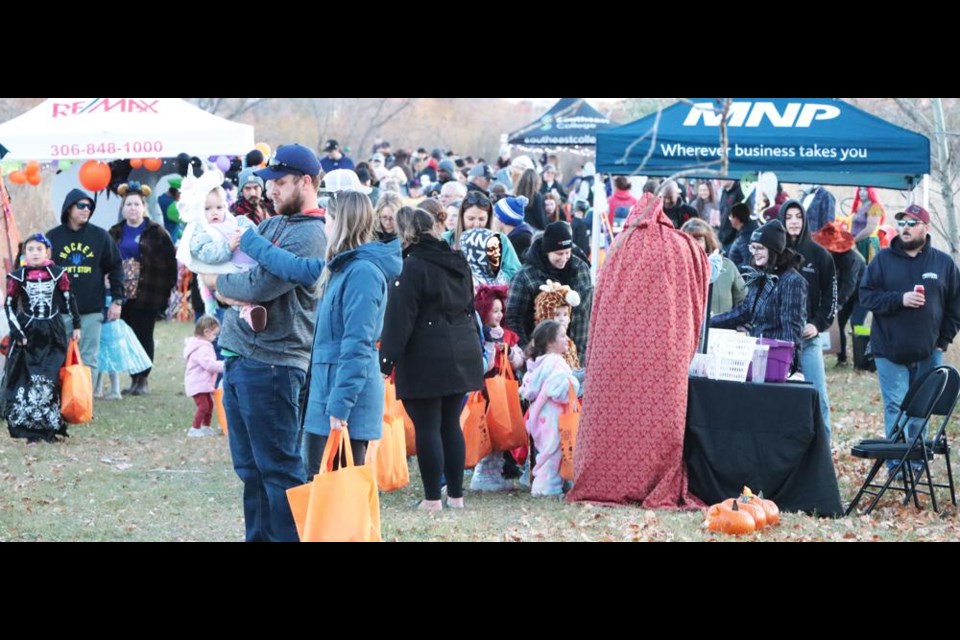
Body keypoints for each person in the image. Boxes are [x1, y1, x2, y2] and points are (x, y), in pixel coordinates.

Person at [239, 191, 401, 481]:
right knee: (320, 482)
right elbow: (290, 266)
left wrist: (341, 404)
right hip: (328, 393)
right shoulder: (339, 267)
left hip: (342, 400)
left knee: (339, 489)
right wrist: (250, 241)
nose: (324, 225)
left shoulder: (362, 273)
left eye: (329, 219)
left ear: (341, 223)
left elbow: (357, 345)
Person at [211, 143, 328, 542]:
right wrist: (228, 284)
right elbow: (235, 266)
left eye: (279, 182)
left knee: (279, 470)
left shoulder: (312, 234)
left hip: (275, 364)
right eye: (270, 183)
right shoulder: (273, 223)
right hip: (243, 358)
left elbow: (260, 284)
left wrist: (221, 287)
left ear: (306, 182)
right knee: (250, 469)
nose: (271, 190)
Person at [380, 207, 484, 512]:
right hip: (462, 348)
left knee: (428, 426)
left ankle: (431, 499)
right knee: (450, 424)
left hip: (426, 353)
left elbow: (401, 319)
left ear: (407, 233)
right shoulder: (458, 260)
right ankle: (456, 496)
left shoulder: (412, 266)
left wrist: (386, 361)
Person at [859, 204, 960, 476]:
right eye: (902, 223)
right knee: (896, 405)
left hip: (929, 351)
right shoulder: (882, 260)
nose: (905, 228)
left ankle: (915, 463)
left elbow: (956, 305)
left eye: (912, 223)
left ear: (925, 229)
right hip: (888, 349)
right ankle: (896, 465)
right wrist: (899, 299)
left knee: (921, 409)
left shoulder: (943, 263)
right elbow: (866, 296)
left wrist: (944, 339)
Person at [3, 233, 81, 441]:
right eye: (30, 249)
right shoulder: (17, 276)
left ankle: (50, 426)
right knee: (26, 378)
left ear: (47, 251)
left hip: (53, 330)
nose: (35, 253)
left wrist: (76, 325)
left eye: (39, 249)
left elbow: (68, 298)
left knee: (51, 376)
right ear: (24, 253)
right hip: (28, 330)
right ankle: (28, 430)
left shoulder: (57, 273)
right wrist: (18, 333)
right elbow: (9, 306)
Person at [47, 189, 124, 390]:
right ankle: (61, 401)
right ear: (69, 208)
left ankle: (83, 403)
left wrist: (117, 300)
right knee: (59, 357)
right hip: (60, 311)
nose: (86, 209)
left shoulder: (100, 236)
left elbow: (116, 266)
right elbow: (41, 271)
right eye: (81, 205)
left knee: (88, 359)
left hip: (90, 310)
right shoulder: (53, 238)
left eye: (89, 206)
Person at [108, 182, 178, 396]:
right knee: (128, 336)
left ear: (143, 206)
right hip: (123, 292)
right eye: (128, 204)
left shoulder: (156, 232)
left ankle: (143, 378)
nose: (132, 208)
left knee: (144, 334)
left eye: (136, 204)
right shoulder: (115, 232)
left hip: (148, 292)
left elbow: (170, 263)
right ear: (123, 208)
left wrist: (167, 292)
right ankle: (133, 378)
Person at [780, 199, 837, 435]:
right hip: (779, 342)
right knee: (780, 400)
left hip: (808, 341)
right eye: (789, 217)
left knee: (818, 398)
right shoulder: (776, 254)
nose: (794, 222)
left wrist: (817, 324)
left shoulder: (820, 255)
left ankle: (824, 454)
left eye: (798, 217)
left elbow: (830, 299)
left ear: (805, 220)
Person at [711, 220, 808, 358]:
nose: (755, 253)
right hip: (757, 353)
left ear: (774, 250)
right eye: (753, 248)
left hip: (777, 358)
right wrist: (710, 321)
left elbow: (791, 331)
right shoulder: (761, 275)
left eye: (760, 248)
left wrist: (791, 367)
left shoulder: (791, 282)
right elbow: (745, 310)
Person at [179, 170, 264, 327]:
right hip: (219, 272)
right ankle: (247, 310)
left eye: (219, 207)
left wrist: (246, 231)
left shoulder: (233, 221)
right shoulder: (200, 230)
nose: (214, 213)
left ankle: (253, 309)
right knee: (225, 296)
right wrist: (228, 247)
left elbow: (250, 228)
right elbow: (206, 252)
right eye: (207, 208)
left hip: (242, 268)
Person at [506, 221, 593, 364]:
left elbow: (585, 312)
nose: (564, 257)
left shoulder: (580, 269)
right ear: (547, 251)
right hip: (541, 357)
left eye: (567, 252)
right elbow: (513, 317)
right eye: (559, 253)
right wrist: (527, 349)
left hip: (577, 354)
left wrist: (582, 352)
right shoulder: (526, 276)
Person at [520, 320, 580, 497]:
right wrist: (574, 381)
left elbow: (528, 388)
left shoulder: (537, 363)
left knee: (545, 451)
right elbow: (559, 390)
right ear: (550, 342)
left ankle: (545, 484)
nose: (566, 339)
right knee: (554, 452)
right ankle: (548, 488)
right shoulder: (556, 362)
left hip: (540, 417)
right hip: (555, 416)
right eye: (562, 336)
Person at [812, 221, 865, 367]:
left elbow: (850, 284)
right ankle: (842, 360)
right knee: (839, 324)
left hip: (862, 293)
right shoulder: (831, 258)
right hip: (845, 294)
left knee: (857, 324)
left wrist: (838, 303)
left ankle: (863, 359)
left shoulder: (852, 259)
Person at [681, 218, 746, 316]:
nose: (693, 244)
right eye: (689, 239)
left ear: (707, 242)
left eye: (698, 239)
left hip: (722, 329)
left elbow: (744, 302)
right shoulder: (677, 269)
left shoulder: (727, 266)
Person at [183, 316, 224, 438]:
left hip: (203, 383)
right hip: (197, 383)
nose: (215, 337)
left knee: (209, 405)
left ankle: (206, 426)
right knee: (204, 406)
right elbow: (209, 365)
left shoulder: (201, 345)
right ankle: (194, 428)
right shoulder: (202, 348)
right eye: (214, 334)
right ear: (206, 332)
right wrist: (225, 365)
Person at [533, 280, 582, 370]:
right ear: (545, 315)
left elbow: (575, 366)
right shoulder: (544, 346)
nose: (562, 319)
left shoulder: (569, 343)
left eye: (565, 314)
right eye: (557, 315)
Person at [493, 196, 534, 261]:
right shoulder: (514, 236)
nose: (493, 219)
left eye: (495, 215)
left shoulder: (522, 240)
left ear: (502, 219)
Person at [850, 186, 884, 263]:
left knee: (867, 270)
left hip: (867, 243)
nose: (862, 192)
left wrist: (853, 240)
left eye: (865, 190)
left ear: (871, 191)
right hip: (857, 242)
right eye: (860, 190)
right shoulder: (860, 207)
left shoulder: (875, 207)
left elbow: (870, 229)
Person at [726, 203, 759, 272]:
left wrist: (732, 270)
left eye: (730, 217)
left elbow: (748, 263)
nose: (730, 220)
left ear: (736, 218)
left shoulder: (747, 237)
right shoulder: (746, 231)